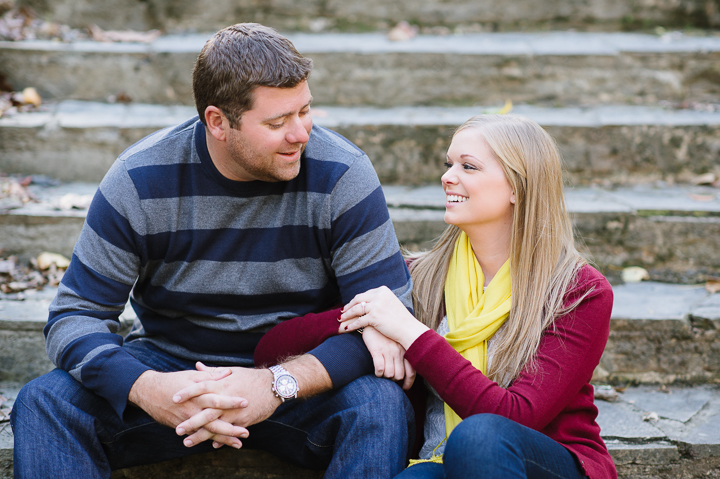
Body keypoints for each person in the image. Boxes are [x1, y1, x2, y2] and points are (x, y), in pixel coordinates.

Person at [10, 23, 417, 478]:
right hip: (173, 371)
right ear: (218, 122)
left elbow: (389, 317)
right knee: (45, 403)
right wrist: (146, 388)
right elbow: (74, 315)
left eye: (304, 111)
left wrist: (276, 383)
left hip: (298, 376)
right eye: (277, 122)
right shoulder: (139, 180)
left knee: (380, 406)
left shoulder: (342, 174)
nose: (301, 133)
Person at [255, 114, 617, 479]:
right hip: (437, 462)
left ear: (517, 188)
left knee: (477, 438)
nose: (447, 177)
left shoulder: (578, 293)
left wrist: (409, 332)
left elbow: (514, 416)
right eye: (449, 164)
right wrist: (369, 320)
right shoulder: (420, 277)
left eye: (468, 167)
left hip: (543, 463)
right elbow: (270, 349)